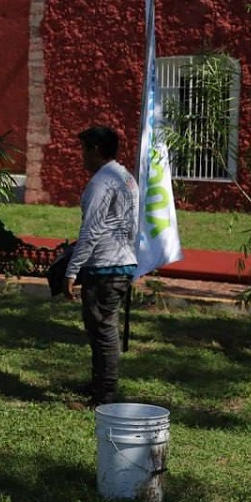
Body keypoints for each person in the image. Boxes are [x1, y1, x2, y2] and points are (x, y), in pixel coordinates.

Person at [64, 125, 139, 408]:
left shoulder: (101, 182)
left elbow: (92, 230)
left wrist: (72, 270)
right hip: (122, 261)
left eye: (83, 149)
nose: (81, 156)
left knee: (104, 331)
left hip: (105, 266)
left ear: (95, 150)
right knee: (100, 330)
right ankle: (98, 384)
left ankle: (104, 397)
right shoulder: (125, 177)